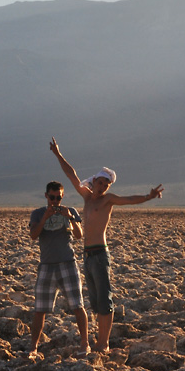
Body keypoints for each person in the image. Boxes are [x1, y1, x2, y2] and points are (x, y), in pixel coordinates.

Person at [49, 137, 163, 353]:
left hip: (100, 254)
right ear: (95, 181)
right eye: (100, 182)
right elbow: (71, 175)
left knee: (104, 298)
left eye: (106, 184)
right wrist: (57, 153)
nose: (102, 187)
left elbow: (129, 199)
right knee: (95, 299)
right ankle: (100, 341)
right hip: (87, 255)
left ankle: (104, 344)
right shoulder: (87, 197)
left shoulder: (107, 199)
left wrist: (148, 197)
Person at [28, 181, 90, 359]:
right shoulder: (38, 213)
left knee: (78, 305)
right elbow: (33, 235)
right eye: (52, 197)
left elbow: (79, 235)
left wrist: (70, 217)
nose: (55, 201)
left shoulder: (70, 211)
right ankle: (33, 347)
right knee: (40, 309)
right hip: (46, 266)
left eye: (59, 198)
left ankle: (85, 344)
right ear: (46, 196)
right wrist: (45, 218)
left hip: (68, 264)